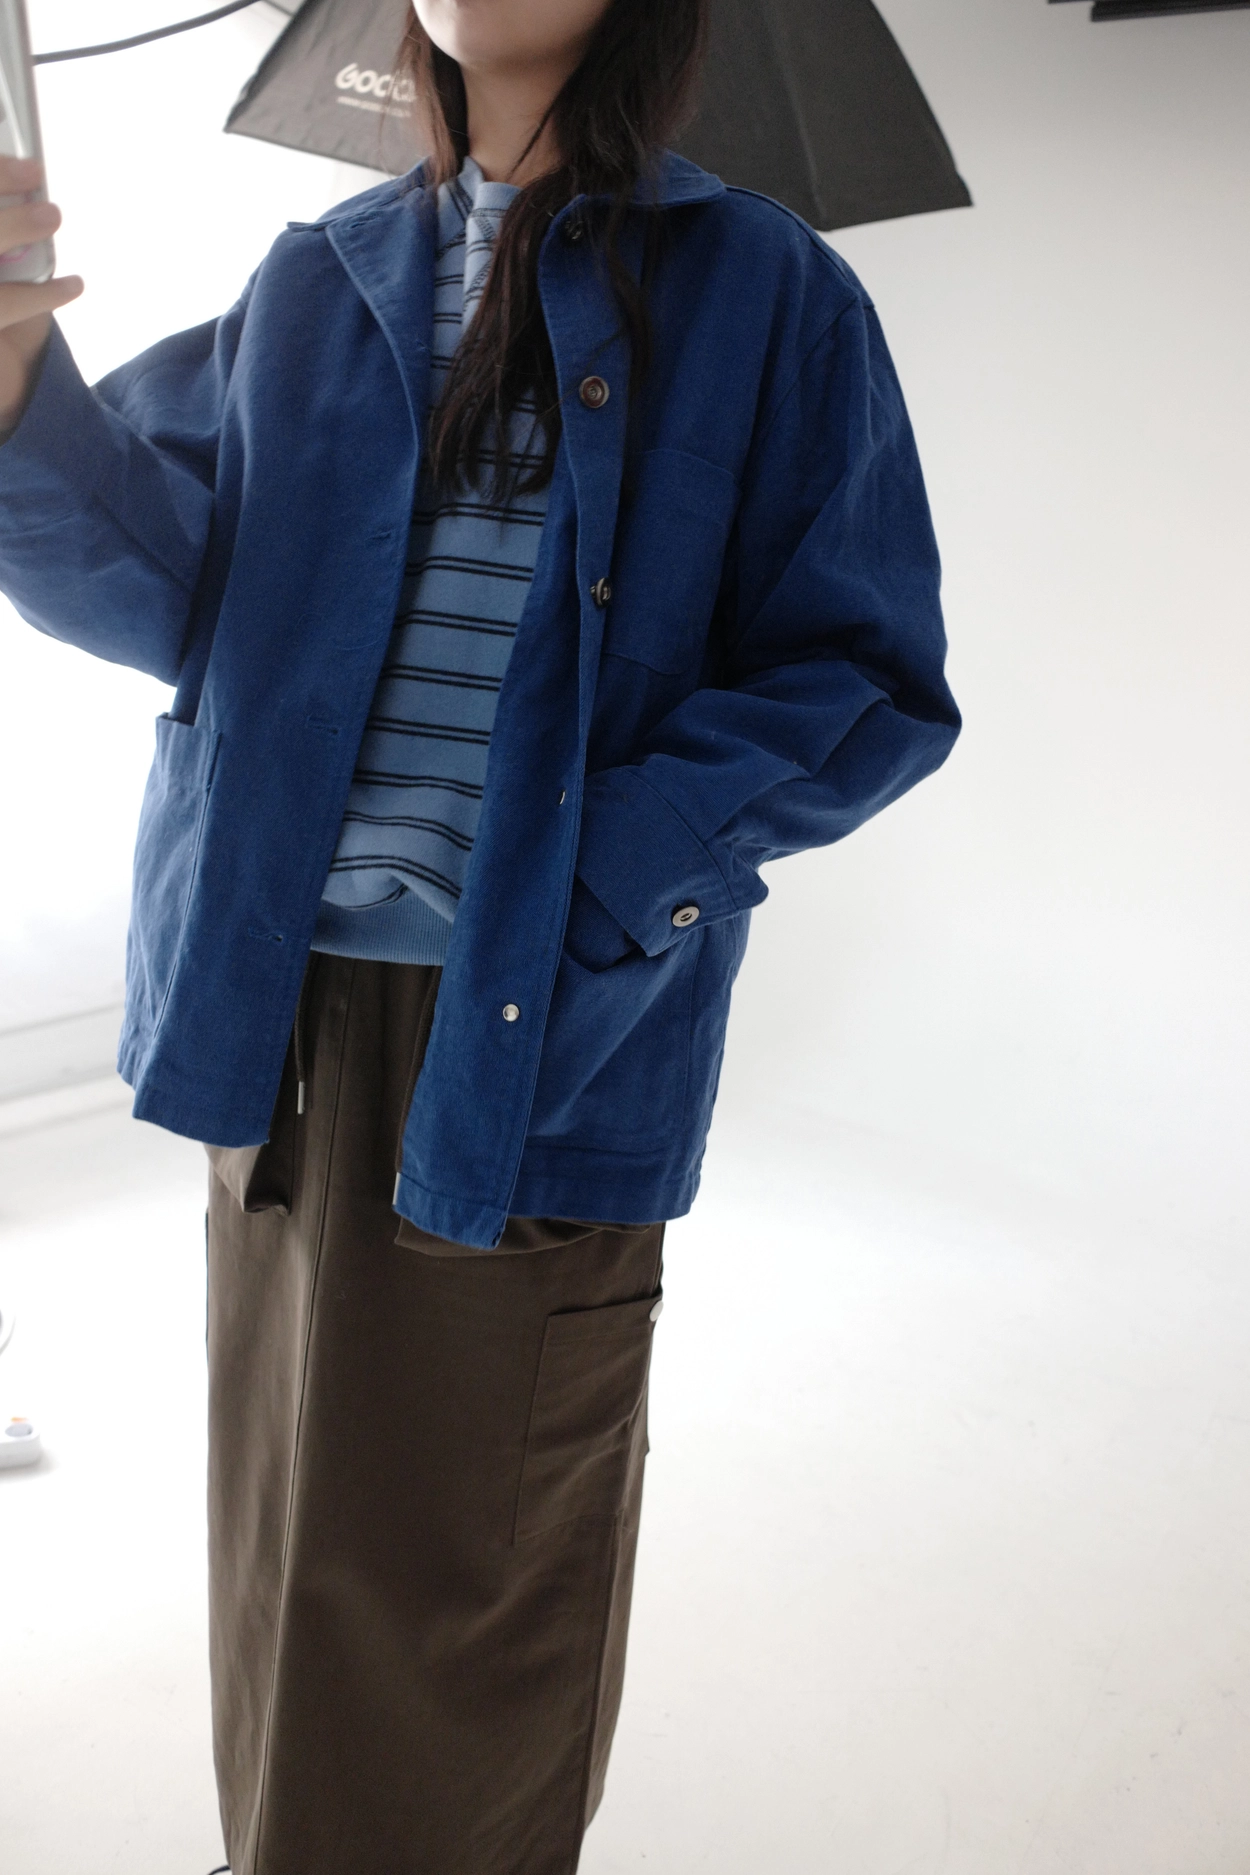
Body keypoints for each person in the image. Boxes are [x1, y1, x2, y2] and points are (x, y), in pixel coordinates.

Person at [0, 0, 959, 1869]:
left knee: (476, 1576)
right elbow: (165, 585)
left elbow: (861, 681)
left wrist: (591, 889)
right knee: (291, 1545)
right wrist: (24, 378)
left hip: (535, 1031)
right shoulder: (319, 277)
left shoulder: (766, 294)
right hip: (275, 1016)